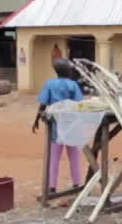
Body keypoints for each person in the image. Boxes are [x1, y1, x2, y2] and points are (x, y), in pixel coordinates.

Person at [32, 58, 85, 192]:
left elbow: (43, 104)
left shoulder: (49, 84)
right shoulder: (73, 84)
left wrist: (36, 119)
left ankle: (52, 186)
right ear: (67, 70)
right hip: (71, 124)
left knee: (54, 156)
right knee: (74, 155)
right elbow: (79, 104)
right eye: (70, 69)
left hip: (56, 124)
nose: (72, 71)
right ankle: (77, 183)